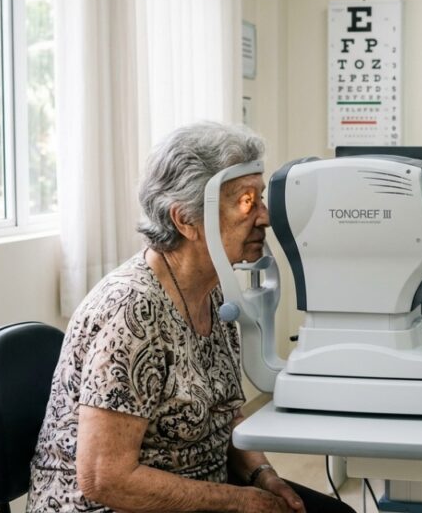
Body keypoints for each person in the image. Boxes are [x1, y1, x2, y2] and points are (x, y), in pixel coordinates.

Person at [27, 122, 355, 513]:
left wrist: (263, 477)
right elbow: (104, 477)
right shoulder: (132, 312)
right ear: (185, 220)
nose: (265, 217)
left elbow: (223, 414)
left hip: (201, 493)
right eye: (247, 202)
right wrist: (239, 502)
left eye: (261, 199)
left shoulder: (214, 293)